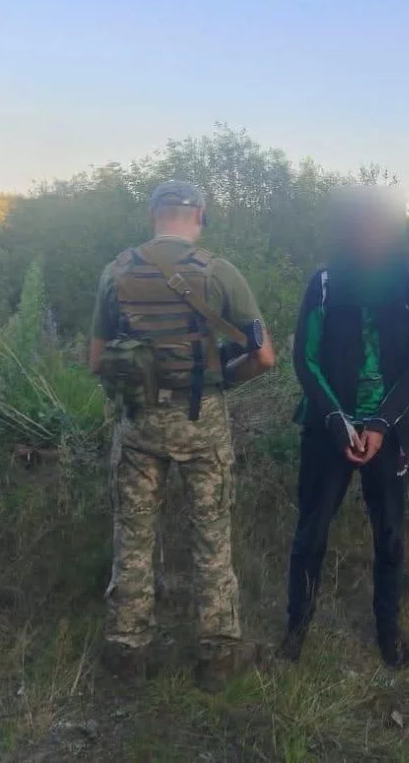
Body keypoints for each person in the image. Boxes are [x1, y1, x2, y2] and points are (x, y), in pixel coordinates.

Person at [89, 180, 275, 682]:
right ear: (200, 217)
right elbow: (263, 356)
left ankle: (127, 651)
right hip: (201, 420)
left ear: (153, 216)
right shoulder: (219, 272)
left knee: (132, 534)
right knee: (211, 534)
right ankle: (218, 656)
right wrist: (224, 380)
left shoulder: (115, 271)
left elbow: (96, 360)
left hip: (138, 422)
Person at [280, 184, 409, 668]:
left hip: (390, 431)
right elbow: (304, 358)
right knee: (311, 533)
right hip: (328, 429)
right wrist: (336, 420)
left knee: (390, 536)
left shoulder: (408, 284)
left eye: (380, 225)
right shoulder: (324, 282)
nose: (371, 234)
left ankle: (389, 633)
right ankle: (296, 631)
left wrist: (381, 423)